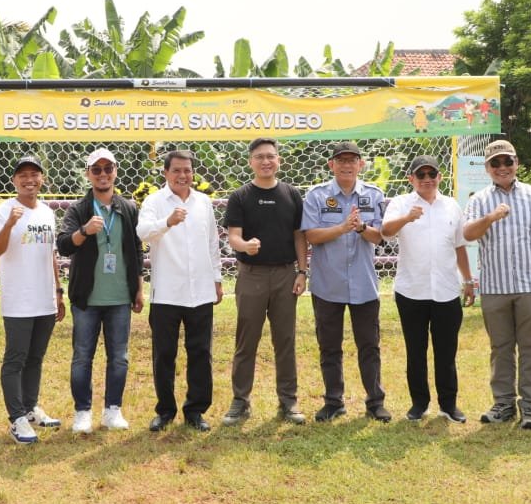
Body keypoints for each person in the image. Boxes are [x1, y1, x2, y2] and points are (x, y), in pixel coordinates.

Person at [463, 139, 531, 430]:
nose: (502, 168)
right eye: (496, 163)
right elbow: (468, 232)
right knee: (500, 348)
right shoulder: (479, 200)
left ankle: (530, 407)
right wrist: (492, 217)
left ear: (517, 163)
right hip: (495, 287)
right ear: (487, 168)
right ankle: (503, 404)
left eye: (508, 161)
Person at [221, 138, 309, 426]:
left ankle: (288, 400)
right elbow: (233, 235)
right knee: (247, 341)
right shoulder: (240, 196)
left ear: (279, 160)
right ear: (251, 161)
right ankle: (240, 400)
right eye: (260, 157)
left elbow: (300, 236)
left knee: (285, 340)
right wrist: (244, 245)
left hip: (286, 274)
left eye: (271, 156)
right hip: (252, 276)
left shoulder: (292, 194)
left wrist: (302, 271)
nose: (266, 161)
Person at [57, 148, 144, 433]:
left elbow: (136, 251)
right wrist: (84, 231)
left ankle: (112, 411)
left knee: (118, 356)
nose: (103, 174)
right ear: (88, 174)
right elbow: (64, 244)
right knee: (83, 356)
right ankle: (82, 412)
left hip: (120, 296)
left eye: (108, 169)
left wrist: (138, 289)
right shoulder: (79, 209)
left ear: (116, 171)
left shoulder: (128, 208)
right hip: (87, 298)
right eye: (97, 170)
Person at [381, 155, 474, 423]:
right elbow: (385, 232)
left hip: (446, 289)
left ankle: (449, 404)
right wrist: (406, 218)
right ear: (411, 179)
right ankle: (419, 404)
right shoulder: (401, 203)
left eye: (431, 174)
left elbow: (459, 245)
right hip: (412, 290)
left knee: (447, 352)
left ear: (439, 177)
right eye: (420, 175)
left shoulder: (451, 206)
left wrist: (467, 280)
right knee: (416, 350)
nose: (426, 180)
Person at [136, 150, 223, 432]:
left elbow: (212, 243)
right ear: (166, 173)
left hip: (200, 290)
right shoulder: (154, 201)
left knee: (200, 352)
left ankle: (196, 410)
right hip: (166, 293)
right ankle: (165, 410)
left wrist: (217, 279)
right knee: (164, 354)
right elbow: (143, 232)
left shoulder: (204, 202)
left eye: (187, 170)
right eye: (177, 170)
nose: (183, 176)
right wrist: (168, 222)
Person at [302, 142, 389, 422]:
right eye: (341, 160)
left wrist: (361, 227)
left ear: (361, 165)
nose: (347, 165)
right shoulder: (316, 196)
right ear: (332, 165)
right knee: (329, 346)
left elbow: (380, 237)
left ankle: (375, 402)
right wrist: (341, 228)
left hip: (364, 285)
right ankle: (333, 401)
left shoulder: (374, 195)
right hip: (328, 285)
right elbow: (311, 236)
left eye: (353, 160)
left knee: (369, 346)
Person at [0, 156, 65, 445]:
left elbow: (52, 255)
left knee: (36, 357)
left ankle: (31, 408)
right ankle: (16, 418)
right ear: (14, 181)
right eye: (23, 175)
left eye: (34, 174)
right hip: (18, 299)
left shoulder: (47, 212)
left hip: (45, 298)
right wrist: (9, 224)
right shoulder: (1, 211)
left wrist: (58, 292)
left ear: (42, 179)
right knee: (16, 358)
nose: (29, 179)